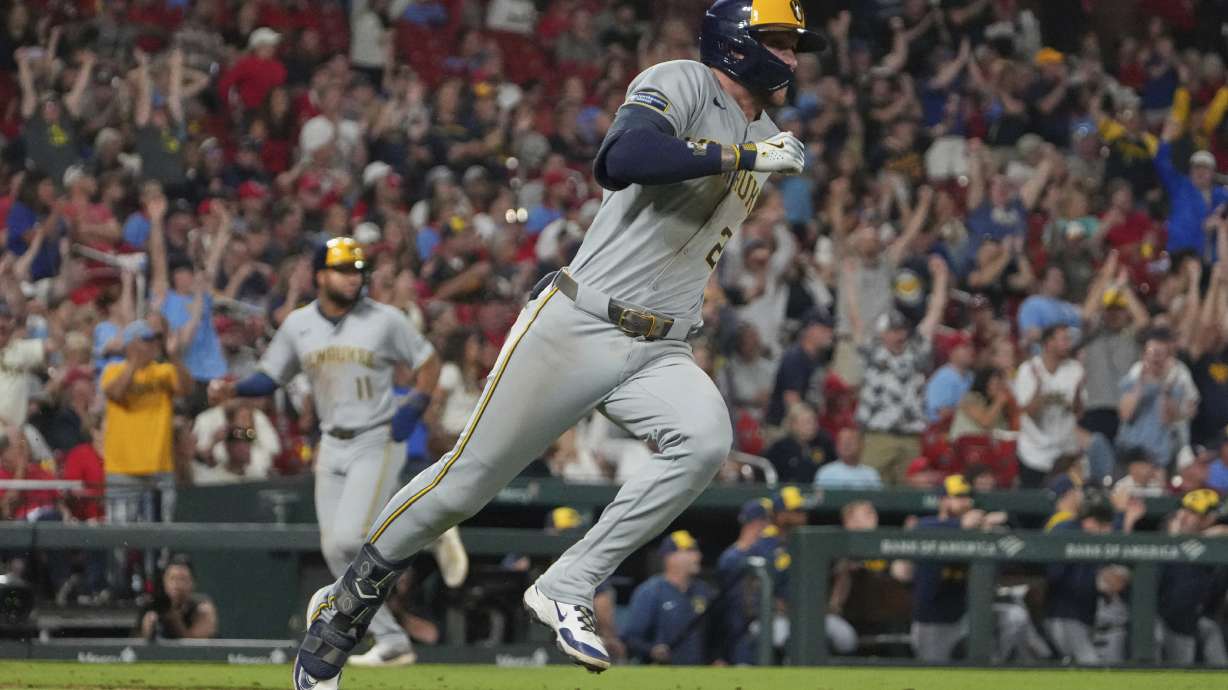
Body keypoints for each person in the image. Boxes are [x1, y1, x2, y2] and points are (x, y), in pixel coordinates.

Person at [290, 1, 820, 683]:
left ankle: (569, 582)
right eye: (779, 40)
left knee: (706, 441)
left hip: (660, 345)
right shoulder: (687, 80)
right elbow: (621, 156)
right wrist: (743, 154)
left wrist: (750, 153)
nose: (793, 57)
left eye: (794, 43)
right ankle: (346, 607)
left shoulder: (765, 131)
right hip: (581, 322)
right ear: (738, 44)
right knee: (464, 485)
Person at [208, 237, 444, 668]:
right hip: (331, 442)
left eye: (357, 271)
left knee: (349, 538)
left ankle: (425, 527)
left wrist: (416, 404)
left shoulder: (384, 319)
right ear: (319, 275)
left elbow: (429, 362)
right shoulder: (299, 325)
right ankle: (392, 638)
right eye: (343, 270)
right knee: (335, 549)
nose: (353, 278)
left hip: (376, 437)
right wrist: (234, 388)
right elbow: (270, 376)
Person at [846, 256, 950, 485]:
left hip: (910, 436)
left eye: (901, 330)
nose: (898, 335)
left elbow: (935, 314)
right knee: (870, 490)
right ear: (883, 334)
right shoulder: (873, 353)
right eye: (892, 331)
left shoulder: (916, 352)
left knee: (910, 494)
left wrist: (941, 278)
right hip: (877, 435)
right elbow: (855, 319)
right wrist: (851, 280)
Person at [895, 475, 1010, 663]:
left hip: (966, 616)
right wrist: (961, 525)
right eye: (958, 497)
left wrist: (989, 527)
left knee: (1013, 618)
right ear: (943, 500)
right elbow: (922, 532)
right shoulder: (926, 525)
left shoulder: (976, 530)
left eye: (967, 497)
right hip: (933, 620)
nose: (965, 502)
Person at [100, 320, 191, 524]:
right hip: (123, 468)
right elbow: (115, 393)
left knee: (162, 536)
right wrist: (133, 362)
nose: (153, 346)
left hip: (159, 466)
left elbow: (187, 389)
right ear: (131, 344)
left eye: (155, 341)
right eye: (147, 340)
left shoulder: (164, 371)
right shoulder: (113, 370)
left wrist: (175, 357)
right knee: (119, 536)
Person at [1043, 488, 1117, 665]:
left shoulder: (1088, 537)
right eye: (1104, 525)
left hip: (1082, 616)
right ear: (1090, 522)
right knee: (1089, 665)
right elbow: (1053, 575)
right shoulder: (1065, 530)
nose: (1109, 531)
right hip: (1064, 616)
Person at [620, 530, 714, 666]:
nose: (698, 556)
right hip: (661, 674)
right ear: (670, 557)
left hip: (698, 673)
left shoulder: (704, 591)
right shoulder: (651, 591)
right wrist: (652, 650)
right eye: (689, 551)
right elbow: (630, 637)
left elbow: (715, 634)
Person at [1156, 489, 1228, 665]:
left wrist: (1206, 539)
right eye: (1183, 509)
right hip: (1156, 616)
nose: (1183, 516)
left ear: (1209, 519)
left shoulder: (1217, 542)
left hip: (1189, 621)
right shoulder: (1168, 531)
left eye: (1193, 512)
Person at [1013, 325, 1085, 488]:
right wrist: (1039, 386)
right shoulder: (1028, 370)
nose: (1068, 344)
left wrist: (1078, 393)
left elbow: (1078, 413)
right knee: (1033, 506)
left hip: (1064, 453)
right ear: (1048, 343)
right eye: (1064, 339)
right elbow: (1029, 411)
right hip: (1033, 453)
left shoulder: (1075, 369)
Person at [714, 498, 774, 664]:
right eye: (766, 520)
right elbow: (732, 606)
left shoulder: (764, 553)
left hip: (758, 628)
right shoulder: (731, 558)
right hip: (737, 633)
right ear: (757, 522)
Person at [138, 555, 218, 640]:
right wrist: (149, 629)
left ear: (193, 583)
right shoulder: (153, 606)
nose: (177, 585)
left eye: (182, 579)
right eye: (172, 579)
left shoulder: (202, 608)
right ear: (164, 582)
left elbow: (195, 646)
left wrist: (175, 620)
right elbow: (135, 644)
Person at [763, 402, 835, 484]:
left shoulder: (824, 444)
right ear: (793, 425)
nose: (812, 426)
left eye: (814, 421)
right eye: (807, 422)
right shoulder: (779, 449)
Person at [924, 331, 975, 424]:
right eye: (965, 347)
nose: (970, 350)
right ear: (952, 351)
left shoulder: (970, 376)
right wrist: (972, 412)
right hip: (940, 431)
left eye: (971, 347)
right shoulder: (943, 377)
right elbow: (941, 413)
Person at [814, 427, 882, 490]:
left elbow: (877, 499)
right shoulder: (826, 472)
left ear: (861, 445)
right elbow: (820, 500)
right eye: (842, 442)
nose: (846, 445)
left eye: (850, 442)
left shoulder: (871, 473)